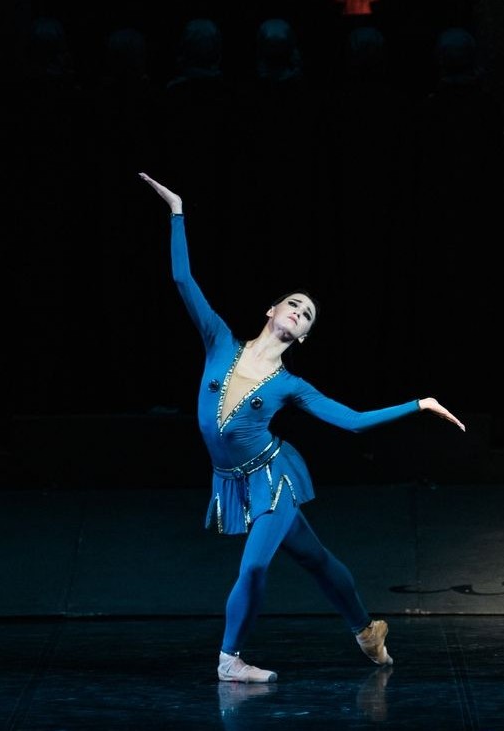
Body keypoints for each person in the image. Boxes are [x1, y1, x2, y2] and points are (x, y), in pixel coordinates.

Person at [139, 172, 466, 684]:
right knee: (316, 559)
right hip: (233, 481)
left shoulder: (292, 386)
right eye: (293, 303)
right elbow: (183, 280)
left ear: (305, 335)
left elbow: (353, 422)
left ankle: (229, 660)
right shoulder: (219, 341)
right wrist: (177, 212)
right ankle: (367, 631)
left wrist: (419, 403)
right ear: (271, 310)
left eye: (307, 314)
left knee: (254, 566)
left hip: (273, 479)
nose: (298, 311)